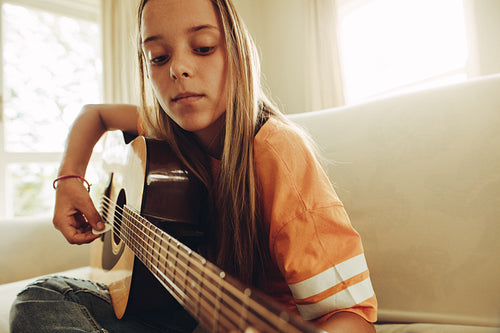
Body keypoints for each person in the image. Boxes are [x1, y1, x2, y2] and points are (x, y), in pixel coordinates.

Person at [10, 0, 377, 332]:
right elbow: (95, 114)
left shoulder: (277, 151)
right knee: (42, 299)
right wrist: (70, 180)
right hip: (179, 310)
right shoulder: (168, 131)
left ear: (238, 52)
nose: (179, 69)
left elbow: (354, 317)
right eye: (158, 56)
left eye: (203, 48)